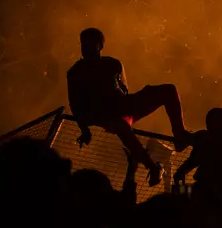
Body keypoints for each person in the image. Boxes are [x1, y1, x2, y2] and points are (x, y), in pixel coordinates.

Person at [67, 28, 189, 185]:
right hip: (103, 115)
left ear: (100, 46)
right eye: (84, 43)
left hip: (124, 105)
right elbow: (75, 104)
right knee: (121, 125)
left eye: (91, 43)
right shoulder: (76, 72)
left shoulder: (112, 64)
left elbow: (124, 89)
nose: (86, 47)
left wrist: (129, 103)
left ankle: (179, 134)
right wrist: (84, 129)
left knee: (168, 90)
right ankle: (153, 168)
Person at [174, 108, 222, 204]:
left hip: (206, 187)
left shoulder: (204, 139)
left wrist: (180, 172)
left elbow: (193, 160)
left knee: (183, 199)